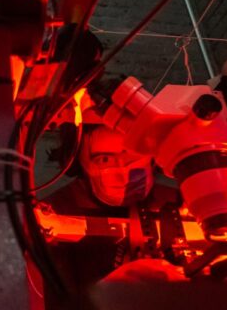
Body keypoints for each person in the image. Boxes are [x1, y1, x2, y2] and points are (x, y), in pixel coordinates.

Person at [40, 123, 182, 290]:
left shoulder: (181, 202)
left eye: (133, 154)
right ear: (77, 161)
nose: (123, 172)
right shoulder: (53, 214)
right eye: (104, 159)